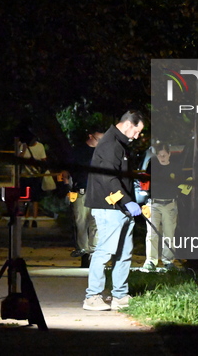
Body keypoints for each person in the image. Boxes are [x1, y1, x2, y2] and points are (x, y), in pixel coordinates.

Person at [82, 110, 145, 311]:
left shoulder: (120, 144)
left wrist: (130, 203)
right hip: (109, 207)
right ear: (128, 124)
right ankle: (92, 297)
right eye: (137, 131)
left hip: (120, 208)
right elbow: (108, 178)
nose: (137, 136)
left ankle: (120, 296)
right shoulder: (110, 145)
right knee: (105, 251)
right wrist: (127, 202)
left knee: (124, 253)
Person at [142, 142, 179, 271]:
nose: (162, 157)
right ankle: (151, 260)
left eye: (164, 155)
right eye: (159, 155)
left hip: (170, 203)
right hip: (154, 203)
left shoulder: (175, 167)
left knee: (169, 234)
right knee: (152, 233)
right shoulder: (153, 166)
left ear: (169, 154)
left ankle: (168, 261)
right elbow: (145, 181)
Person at [69, 128, 104, 259]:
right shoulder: (78, 152)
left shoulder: (103, 152)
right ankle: (83, 249)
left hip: (98, 192)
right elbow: (70, 169)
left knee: (96, 222)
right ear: (90, 136)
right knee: (81, 221)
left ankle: (93, 250)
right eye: (98, 139)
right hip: (82, 191)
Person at [18, 134, 47, 228]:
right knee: (28, 198)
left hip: (33, 175)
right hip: (27, 175)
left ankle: (33, 219)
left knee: (34, 198)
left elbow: (43, 160)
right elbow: (19, 158)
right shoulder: (25, 146)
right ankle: (28, 218)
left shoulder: (38, 146)